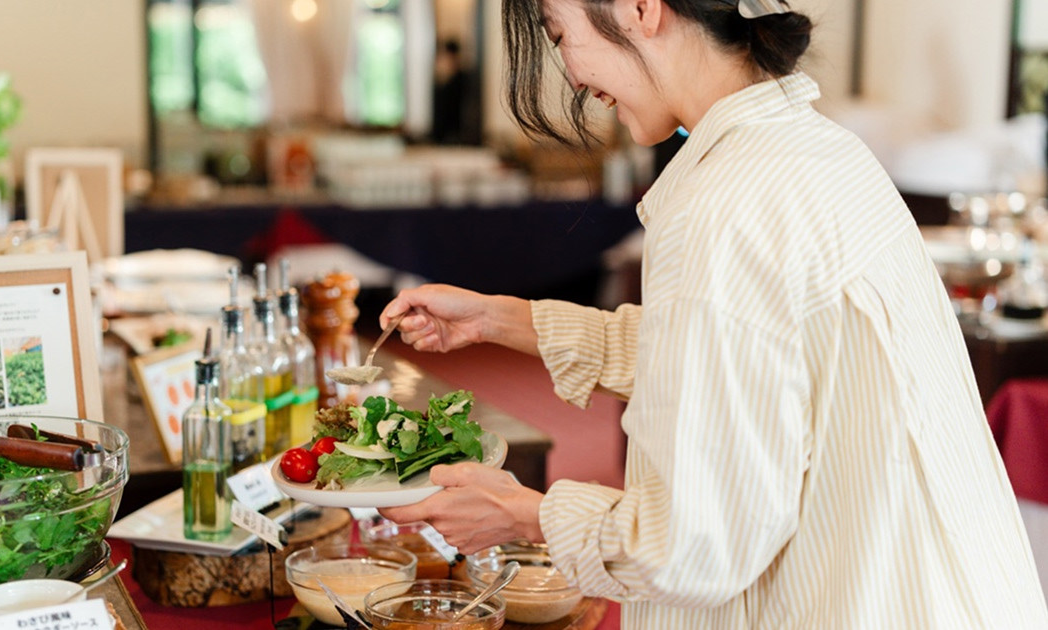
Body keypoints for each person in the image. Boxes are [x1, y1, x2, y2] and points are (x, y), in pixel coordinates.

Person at [378, 0, 1048, 627]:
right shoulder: (817, 148)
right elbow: (725, 358)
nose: (573, 77)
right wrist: (496, 319)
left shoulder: (723, 205)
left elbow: (694, 545)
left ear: (640, 8)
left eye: (560, 36)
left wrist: (521, 512)